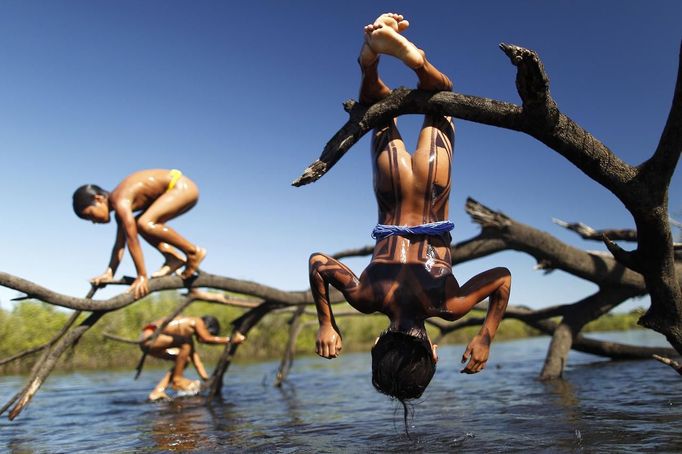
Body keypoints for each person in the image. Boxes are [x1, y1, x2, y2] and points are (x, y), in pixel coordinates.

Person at [309, 13, 511, 403]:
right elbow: (318, 262)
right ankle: (373, 59)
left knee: (441, 99)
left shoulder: (447, 303)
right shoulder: (367, 296)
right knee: (378, 107)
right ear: (374, 344)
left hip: (434, 186)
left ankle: (407, 59)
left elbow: (502, 278)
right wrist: (326, 323)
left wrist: (486, 335)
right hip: (393, 187)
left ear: (434, 352)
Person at [72, 169, 207, 298]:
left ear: (98, 199)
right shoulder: (120, 212)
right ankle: (173, 258)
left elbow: (132, 239)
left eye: (90, 215)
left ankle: (193, 251)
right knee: (141, 223)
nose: (93, 222)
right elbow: (119, 245)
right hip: (175, 190)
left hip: (181, 187)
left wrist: (142, 276)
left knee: (145, 223)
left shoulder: (120, 200)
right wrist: (109, 273)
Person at [139, 315, 246, 401]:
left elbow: (196, 359)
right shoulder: (196, 321)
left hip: (149, 341)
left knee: (184, 359)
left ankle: (158, 391)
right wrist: (231, 340)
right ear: (207, 326)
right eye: (209, 332)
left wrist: (206, 379)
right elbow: (206, 338)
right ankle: (178, 380)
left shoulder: (186, 335)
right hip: (150, 338)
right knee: (185, 345)